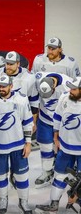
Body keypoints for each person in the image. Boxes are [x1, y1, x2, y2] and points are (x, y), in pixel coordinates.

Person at [0, 51, 38, 194]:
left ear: (18, 64)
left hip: (20, 116)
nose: (8, 67)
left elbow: (33, 99)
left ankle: (16, 175)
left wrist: (33, 120)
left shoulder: (29, 77)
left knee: (18, 151)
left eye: (11, 64)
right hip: (0, 117)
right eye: (7, 64)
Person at [0, 75, 34, 214]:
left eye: (4, 86)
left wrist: (28, 143)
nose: (1, 89)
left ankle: (24, 201)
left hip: (18, 146)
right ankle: (3, 199)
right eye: (0, 86)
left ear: (11, 86)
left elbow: (28, 123)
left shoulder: (21, 99)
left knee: (22, 176)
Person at [36, 77, 81, 213]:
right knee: (59, 175)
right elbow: (57, 117)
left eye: (74, 89)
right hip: (65, 147)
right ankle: (53, 204)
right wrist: (56, 136)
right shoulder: (64, 97)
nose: (70, 91)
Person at [33, 72, 73, 188]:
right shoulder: (38, 78)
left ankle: (62, 170)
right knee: (45, 146)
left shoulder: (67, 84)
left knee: (62, 147)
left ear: (54, 86)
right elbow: (34, 99)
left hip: (62, 121)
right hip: (45, 119)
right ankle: (47, 171)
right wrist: (34, 120)